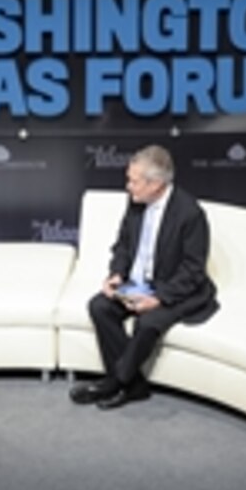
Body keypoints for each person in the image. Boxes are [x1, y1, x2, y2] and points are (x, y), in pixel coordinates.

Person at [69, 144, 218, 409]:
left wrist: (159, 297)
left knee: (147, 323)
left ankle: (115, 382)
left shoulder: (190, 214)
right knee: (100, 306)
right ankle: (134, 386)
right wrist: (116, 274)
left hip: (177, 289)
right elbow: (123, 245)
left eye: (133, 181)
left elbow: (193, 270)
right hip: (140, 283)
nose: (128, 186)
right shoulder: (137, 203)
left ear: (156, 184)